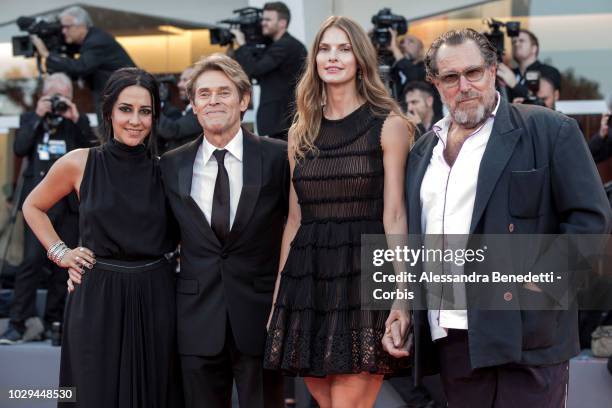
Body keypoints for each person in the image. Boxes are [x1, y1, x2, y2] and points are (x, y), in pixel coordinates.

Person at [385, 28, 612, 407]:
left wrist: (539, 287)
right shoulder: (424, 151)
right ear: (435, 83)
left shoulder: (548, 129)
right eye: (451, 77)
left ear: (493, 70)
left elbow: (591, 220)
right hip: (453, 338)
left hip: (527, 335)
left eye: (473, 72)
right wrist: (404, 302)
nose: (464, 86)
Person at [264, 16, 413, 407]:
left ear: (360, 60)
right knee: (326, 401)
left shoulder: (390, 126)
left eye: (344, 48)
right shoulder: (301, 132)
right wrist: (281, 296)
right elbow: (294, 221)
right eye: (325, 49)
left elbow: (395, 215)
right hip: (309, 283)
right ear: (314, 60)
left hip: (365, 276)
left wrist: (403, 294)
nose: (333, 57)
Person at [22, 68, 181, 408]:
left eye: (145, 111)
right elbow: (32, 206)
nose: (135, 120)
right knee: (92, 394)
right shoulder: (79, 163)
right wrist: (60, 253)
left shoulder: (167, 169)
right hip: (96, 296)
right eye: (126, 109)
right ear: (109, 111)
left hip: (155, 296)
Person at [160, 54, 288, 408]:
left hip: (260, 316)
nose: (213, 100)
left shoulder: (279, 157)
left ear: (244, 99)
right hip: (195, 317)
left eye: (223, 92)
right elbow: (158, 236)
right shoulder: (171, 164)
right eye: (204, 94)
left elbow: (296, 228)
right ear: (193, 105)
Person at [0, 73, 93, 345]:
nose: (57, 102)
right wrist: (39, 115)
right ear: (43, 95)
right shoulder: (32, 119)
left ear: (70, 98)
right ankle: (18, 323)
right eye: (52, 96)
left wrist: (76, 119)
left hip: (69, 207)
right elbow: (19, 148)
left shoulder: (76, 122)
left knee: (63, 266)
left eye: (62, 96)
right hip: (39, 206)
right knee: (30, 263)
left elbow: (94, 149)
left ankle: (56, 322)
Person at [31, 6, 135, 112]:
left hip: (123, 98)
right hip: (117, 98)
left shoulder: (96, 41)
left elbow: (80, 67)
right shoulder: (91, 39)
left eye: (66, 27)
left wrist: (46, 54)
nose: (63, 31)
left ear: (81, 26)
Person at [232, 1, 307, 139]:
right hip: (283, 121)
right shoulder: (278, 46)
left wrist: (242, 44)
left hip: (285, 121)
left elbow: (255, 69)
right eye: (263, 19)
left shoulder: (285, 45)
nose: (263, 23)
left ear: (282, 23)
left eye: (268, 19)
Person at [497, 29, 561, 103]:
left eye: (521, 41)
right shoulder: (509, 73)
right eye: (514, 42)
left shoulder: (550, 72)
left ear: (534, 48)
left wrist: (515, 85)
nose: (516, 44)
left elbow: (542, 102)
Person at [158, 65, 202, 154]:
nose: (179, 84)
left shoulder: (201, 112)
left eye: (185, 80)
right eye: (180, 80)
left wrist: (154, 104)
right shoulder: (186, 111)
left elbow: (173, 130)